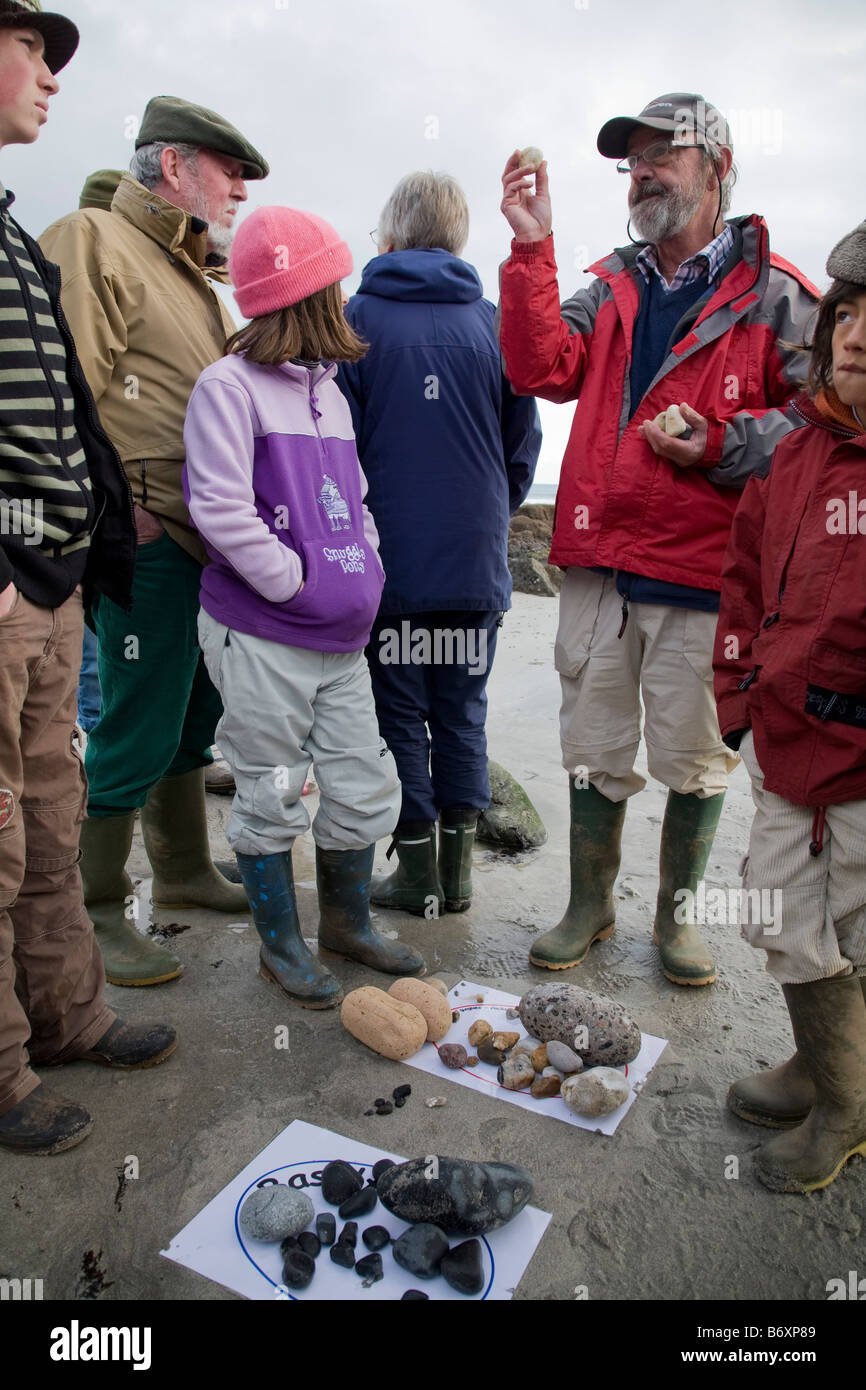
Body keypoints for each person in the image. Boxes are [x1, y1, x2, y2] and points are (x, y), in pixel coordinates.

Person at [498, 92, 819, 986]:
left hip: (705, 575)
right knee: (591, 749)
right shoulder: (608, 278)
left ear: (715, 163)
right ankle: (589, 906)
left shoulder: (780, 293)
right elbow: (538, 368)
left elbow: (822, 418)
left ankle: (677, 922)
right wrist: (532, 248)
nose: (640, 174)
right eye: (630, 161)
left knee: (695, 761)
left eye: (659, 155)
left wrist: (720, 444)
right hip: (600, 567)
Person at [39, 96, 270, 986]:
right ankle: (96, 909)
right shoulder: (92, 237)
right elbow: (65, 389)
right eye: (230, 169)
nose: (242, 189)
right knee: (135, 716)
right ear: (175, 166)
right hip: (144, 536)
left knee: (193, 712)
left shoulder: (188, 269)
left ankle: (178, 871)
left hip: (205, 539)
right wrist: (105, 514)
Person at [0, 0, 174, 1156]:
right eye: (29, 46)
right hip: (7, 585)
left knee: (50, 816)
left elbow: (59, 410)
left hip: (50, 584)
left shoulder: (10, 231)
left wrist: (80, 554)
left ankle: (66, 1019)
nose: (52, 73)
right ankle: (2, 1075)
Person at [184, 205, 425, 1008]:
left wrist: (369, 568)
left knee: (361, 786)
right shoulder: (227, 388)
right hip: (263, 636)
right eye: (337, 285)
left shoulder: (331, 394)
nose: (347, 299)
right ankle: (279, 947)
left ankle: (346, 926)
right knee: (273, 790)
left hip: (342, 640)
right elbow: (219, 508)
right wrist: (295, 581)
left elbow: (353, 500)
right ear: (311, 296)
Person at [337, 172, 540, 916]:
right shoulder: (492, 322)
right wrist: (488, 513)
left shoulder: (354, 322)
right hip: (472, 563)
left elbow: (336, 450)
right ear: (457, 240)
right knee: (461, 711)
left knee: (397, 713)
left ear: (388, 238)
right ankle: (457, 878)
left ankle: (418, 873)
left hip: (390, 568)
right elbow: (522, 447)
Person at [714, 221, 866, 1193]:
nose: (853, 336)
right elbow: (739, 584)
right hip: (783, 747)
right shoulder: (792, 455)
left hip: (858, 768)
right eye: (845, 317)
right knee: (783, 916)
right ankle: (819, 1066)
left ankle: (847, 1108)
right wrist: (735, 698)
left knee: (852, 929)